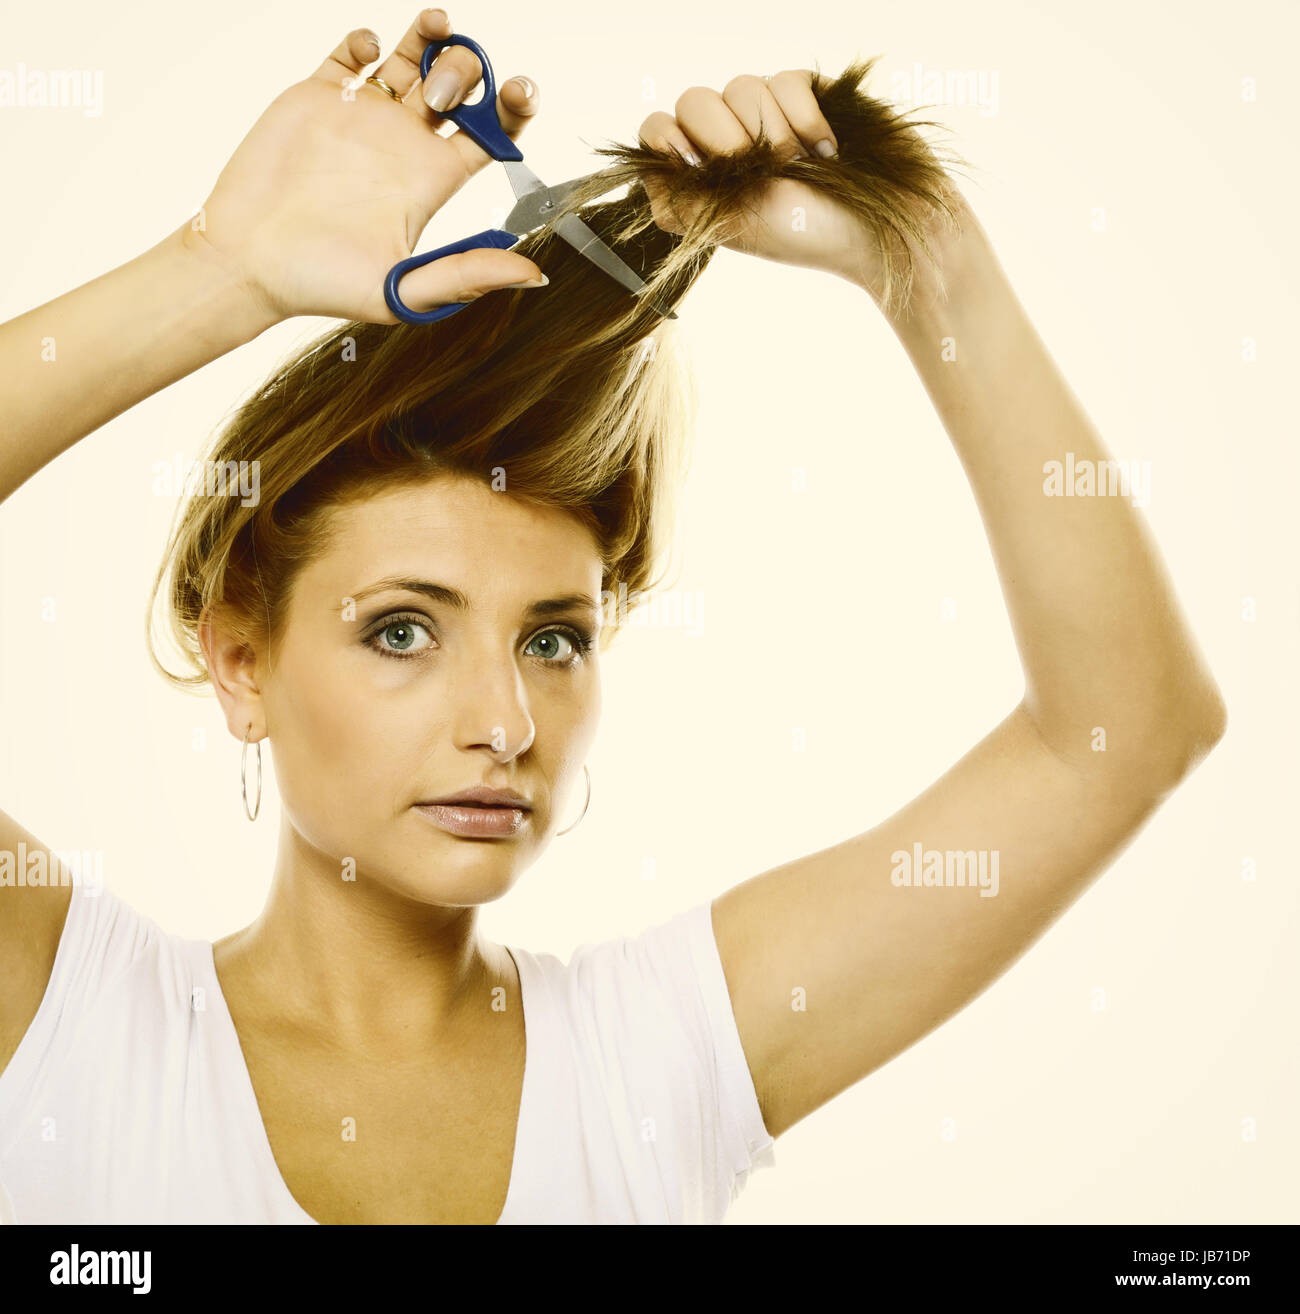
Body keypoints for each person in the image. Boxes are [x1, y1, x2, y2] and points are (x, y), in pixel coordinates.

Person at [0, 8, 1226, 1224]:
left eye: (552, 639)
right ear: (240, 663)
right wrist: (220, 270)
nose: (504, 721)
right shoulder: (72, 1027)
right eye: (402, 631)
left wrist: (925, 256)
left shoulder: (659, 1060)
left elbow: (1121, 732)